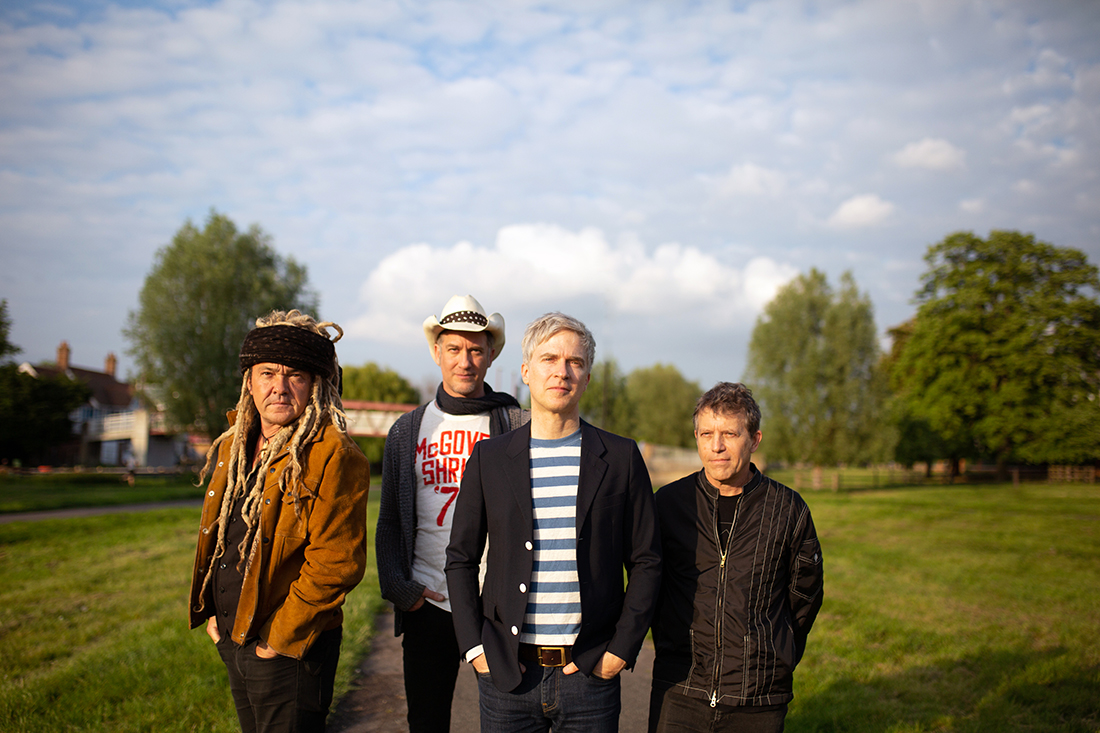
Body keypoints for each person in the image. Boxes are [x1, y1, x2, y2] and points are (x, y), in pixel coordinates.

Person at [446, 312, 661, 732]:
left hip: (590, 675)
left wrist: (621, 649)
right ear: (526, 371)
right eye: (549, 359)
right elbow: (460, 558)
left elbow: (647, 561)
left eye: (574, 362)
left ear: (587, 377)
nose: (562, 371)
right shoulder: (489, 458)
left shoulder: (620, 458)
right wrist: (475, 648)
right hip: (507, 674)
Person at [188, 309, 370, 733]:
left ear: (316, 385)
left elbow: (337, 563)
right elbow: (223, 534)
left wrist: (277, 641)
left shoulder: (334, 454)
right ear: (249, 381)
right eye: (267, 373)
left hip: (289, 650)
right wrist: (215, 611)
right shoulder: (234, 445)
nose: (279, 388)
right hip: (233, 636)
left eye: (295, 376)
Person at [376, 294, 528, 732]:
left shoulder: (516, 424)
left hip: (498, 608)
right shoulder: (407, 431)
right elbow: (390, 522)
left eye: (476, 350)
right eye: (454, 349)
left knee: (508, 722)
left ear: (491, 355)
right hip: (430, 604)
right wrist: (401, 590)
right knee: (426, 722)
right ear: (437, 352)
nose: (465, 361)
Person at [648, 382, 823, 733]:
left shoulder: (788, 509)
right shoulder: (668, 504)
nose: (716, 446)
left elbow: (804, 595)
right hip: (680, 689)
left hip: (758, 698)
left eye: (730, 433)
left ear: (754, 439)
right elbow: (647, 581)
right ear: (696, 437)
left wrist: (774, 655)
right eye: (706, 434)